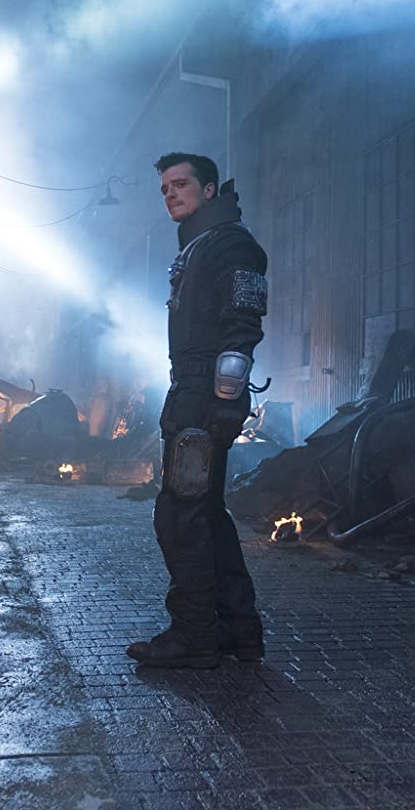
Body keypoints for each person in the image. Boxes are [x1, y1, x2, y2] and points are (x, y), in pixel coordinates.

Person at [127, 152, 267, 669]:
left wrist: (225, 398)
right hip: (192, 392)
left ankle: (195, 636)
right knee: (204, 513)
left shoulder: (230, 245)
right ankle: (237, 630)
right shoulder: (201, 246)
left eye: (181, 184)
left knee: (181, 516)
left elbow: (243, 323)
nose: (171, 194)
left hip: (204, 398)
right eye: (165, 188)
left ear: (209, 190)